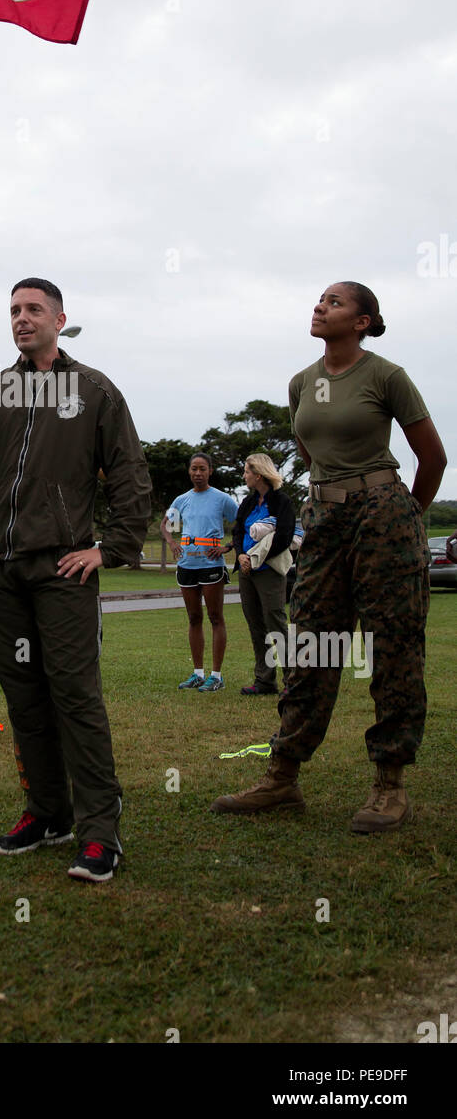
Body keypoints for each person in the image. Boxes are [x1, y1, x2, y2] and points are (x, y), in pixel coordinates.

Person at [212, 282, 447, 832]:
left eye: (334, 303)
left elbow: (432, 456)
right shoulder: (301, 383)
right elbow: (309, 450)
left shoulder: (386, 376)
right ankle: (282, 777)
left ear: (362, 322)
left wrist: (407, 512)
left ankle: (390, 785)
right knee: (312, 640)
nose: (320, 307)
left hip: (383, 511)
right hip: (324, 516)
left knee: (391, 643)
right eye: (320, 300)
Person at [0, 278, 152, 883]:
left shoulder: (93, 391)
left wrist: (109, 548)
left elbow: (130, 474)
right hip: (0, 565)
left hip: (62, 566)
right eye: (13, 310)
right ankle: (47, 812)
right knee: (24, 698)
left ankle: (100, 831)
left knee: (74, 697)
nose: (22, 318)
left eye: (34, 309)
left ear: (61, 319)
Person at [162, 455, 237, 692]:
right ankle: (197, 673)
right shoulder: (182, 499)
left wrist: (227, 547)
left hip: (212, 566)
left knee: (216, 617)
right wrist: (173, 543)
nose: (198, 473)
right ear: (189, 471)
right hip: (187, 566)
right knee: (194, 618)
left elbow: (242, 524)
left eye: (202, 469)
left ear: (210, 471)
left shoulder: (222, 499)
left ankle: (216, 676)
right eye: (194, 469)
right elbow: (165, 525)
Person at [232, 453, 295, 696]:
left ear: (258, 474)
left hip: (269, 571)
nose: (244, 475)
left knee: (276, 623)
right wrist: (240, 555)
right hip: (246, 571)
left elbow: (284, 536)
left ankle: (292, 681)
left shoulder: (281, 502)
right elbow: (237, 531)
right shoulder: (247, 503)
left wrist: (257, 557)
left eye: (247, 471)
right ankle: (264, 680)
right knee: (256, 625)